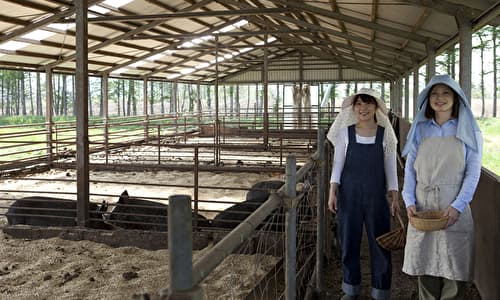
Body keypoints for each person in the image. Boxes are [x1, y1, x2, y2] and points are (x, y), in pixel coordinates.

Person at [401, 74, 483, 300]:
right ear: (427, 99)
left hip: (453, 203)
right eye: (434, 93)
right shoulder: (420, 129)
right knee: (425, 265)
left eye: (446, 93)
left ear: (457, 98)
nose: (440, 98)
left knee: (454, 268)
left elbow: (473, 172)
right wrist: (409, 200)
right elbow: (410, 170)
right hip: (422, 204)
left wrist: (457, 205)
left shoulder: (470, 131)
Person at [327, 88, 400, 300]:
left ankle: (381, 291)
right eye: (358, 104)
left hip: (376, 197)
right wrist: (333, 191)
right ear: (353, 108)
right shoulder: (345, 132)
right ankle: (350, 288)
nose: (363, 108)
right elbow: (338, 163)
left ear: (376, 107)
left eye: (368, 103)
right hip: (349, 196)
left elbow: (390, 167)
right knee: (349, 241)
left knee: (380, 242)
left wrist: (394, 196)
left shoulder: (385, 133)